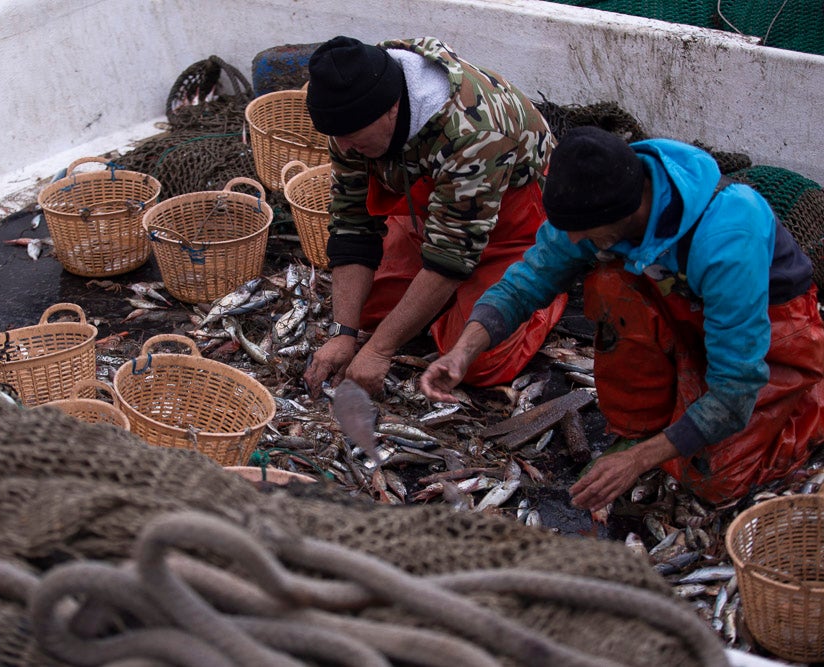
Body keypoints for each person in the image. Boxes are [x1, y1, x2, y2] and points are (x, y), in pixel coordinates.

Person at [420, 125, 824, 509]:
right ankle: (637, 429)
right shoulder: (593, 203)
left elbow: (735, 391)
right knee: (610, 284)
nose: (575, 242)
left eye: (586, 233)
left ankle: (810, 407)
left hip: (774, 326)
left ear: (625, 213)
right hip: (683, 303)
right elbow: (526, 282)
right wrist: (462, 351)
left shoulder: (727, 234)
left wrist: (641, 461)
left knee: (714, 479)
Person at [301, 35, 567, 397]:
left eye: (352, 138)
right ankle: (441, 298)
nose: (343, 147)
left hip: (515, 214)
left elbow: (450, 260)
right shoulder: (351, 119)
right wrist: (344, 334)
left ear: (392, 109)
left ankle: (546, 278)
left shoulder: (473, 132)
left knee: (478, 360)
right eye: (337, 137)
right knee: (366, 311)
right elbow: (352, 223)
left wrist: (380, 349)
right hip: (438, 208)